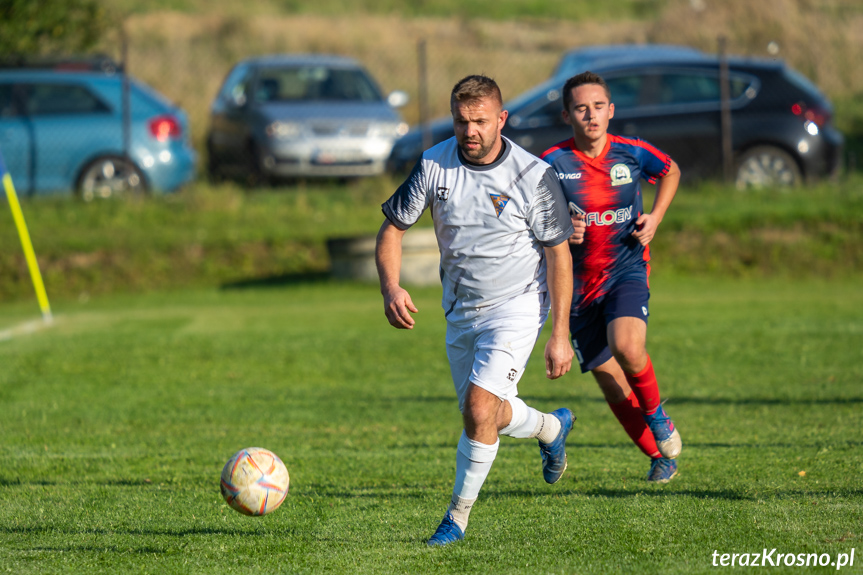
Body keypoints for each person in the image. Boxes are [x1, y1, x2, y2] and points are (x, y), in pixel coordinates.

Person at [375, 75, 576, 546]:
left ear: (501, 119)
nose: (471, 131)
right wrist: (391, 287)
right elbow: (392, 230)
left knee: (478, 406)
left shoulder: (532, 176)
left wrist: (560, 333)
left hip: (518, 306)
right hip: (460, 309)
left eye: (481, 121)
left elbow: (558, 254)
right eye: (462, 121)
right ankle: (550, 427)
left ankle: (456, 518)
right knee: (482, 416)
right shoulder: (433, 164)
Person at [541, 71, 683, 484]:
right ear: (567, 115)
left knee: (627, 345)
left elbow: (671, 171)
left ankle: (658, 417)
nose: (591, 115)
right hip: (577, 287)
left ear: (611, 111)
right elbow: (537, 218)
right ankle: (659, 458)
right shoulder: (552, 163)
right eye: (581, 108)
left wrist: (655, 217)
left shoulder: (631, 153)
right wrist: (565, 226)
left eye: (598, 106)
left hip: (625, 270)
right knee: (611, 383)